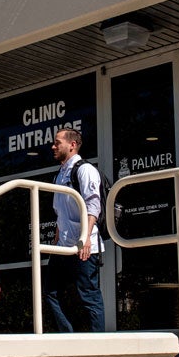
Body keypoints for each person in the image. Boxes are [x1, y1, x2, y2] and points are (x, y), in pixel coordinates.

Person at [44, 128, 106, 332]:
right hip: (63, 247)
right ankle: (68, 337)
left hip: (83, 246)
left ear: (72, 145)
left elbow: (93, 205)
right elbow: (60, 212)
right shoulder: (60, 174)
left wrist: (85, 238)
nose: (53, 146)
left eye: (57, 142)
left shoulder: (84, 170)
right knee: (51, 292)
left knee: (88, 296)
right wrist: (55, 239)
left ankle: (98, 345)